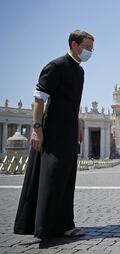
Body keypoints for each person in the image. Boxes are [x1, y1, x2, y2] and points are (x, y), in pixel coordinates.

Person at [14, 30, 94, 238]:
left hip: (68, 129)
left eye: (91, 49)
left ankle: (65, 224)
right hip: (52, 129)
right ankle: (44, 227)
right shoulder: (55, 66)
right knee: (52, 175)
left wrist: (77, 125)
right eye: (87, 48)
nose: (90, 52)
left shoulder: (80, 72)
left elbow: (73, 104)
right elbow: (39, 98)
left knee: (67, 176)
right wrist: (36, 129)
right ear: (75, 45)